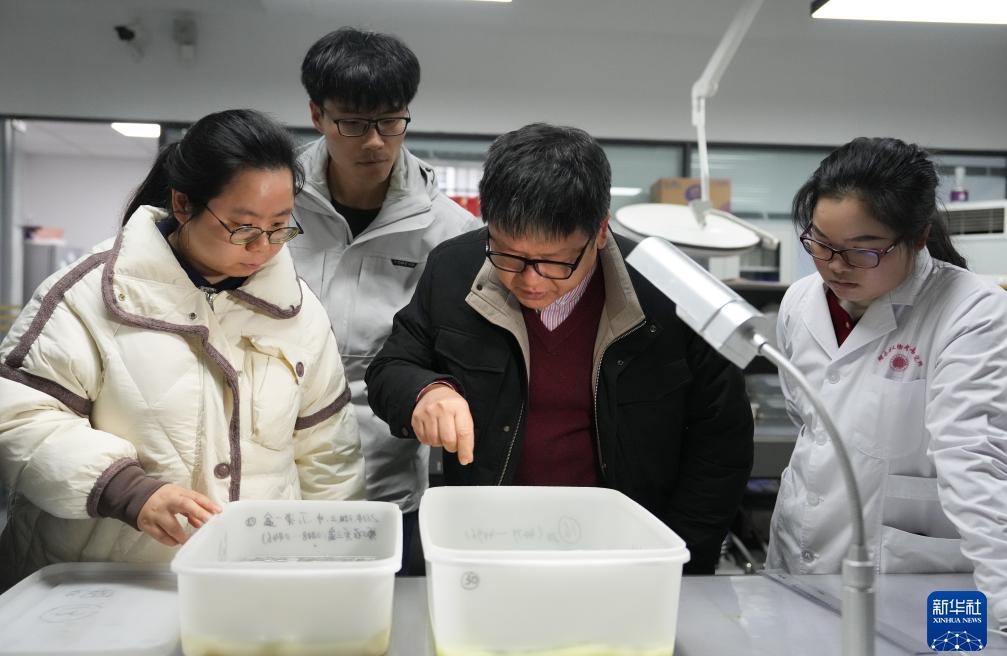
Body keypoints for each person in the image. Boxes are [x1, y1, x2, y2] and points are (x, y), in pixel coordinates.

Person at [366, 123, 754, 574]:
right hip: (487, 545)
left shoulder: (668, 293)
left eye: (554, 262)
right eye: (508, 254)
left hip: (629, 552)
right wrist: (426, 391)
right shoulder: (454, 268)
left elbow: (722, 441)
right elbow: (391, 367)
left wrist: (681, 558)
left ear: (601, 231)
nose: (530, 281)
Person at [0, 109, 364, 589]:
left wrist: (336, 566)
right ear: (183, 203)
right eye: (243, 227)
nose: (262, 247)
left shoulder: (298, 311)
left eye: (279, 228)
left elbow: (327, 454)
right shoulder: (90, 294)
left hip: (248, 583)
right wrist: (126, 491)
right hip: (105, 580)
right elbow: (19, 418)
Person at [766, 137, 1007, 625]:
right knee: (793, 650)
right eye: (821, 243)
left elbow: (972, 455)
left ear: (918, 237)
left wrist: (1003, 602)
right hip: (799, 549)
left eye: (862, 250)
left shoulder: (974, 310)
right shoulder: (800, 300)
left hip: (923, 571)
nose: (836, 265)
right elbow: (807, 418)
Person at [290, 27, 479, 570]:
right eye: (352, 123)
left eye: (391, 121)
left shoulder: (449, 232)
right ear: (317, 115)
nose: (374, 141)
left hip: (387, 487)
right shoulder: (272, 205)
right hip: (273, 483)